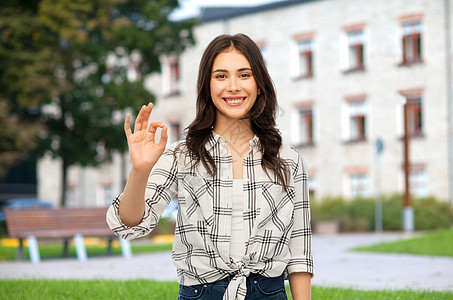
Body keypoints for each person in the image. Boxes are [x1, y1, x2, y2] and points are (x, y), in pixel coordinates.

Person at [106, 33, 314, 300]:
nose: (233, 86)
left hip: (268, 292)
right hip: (201, 293)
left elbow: (300, 253)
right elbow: (131, 225)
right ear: (207, 86)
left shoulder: (289, 160)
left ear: (259, 84)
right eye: (221, 76)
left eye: (244, 75)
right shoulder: (182, 155)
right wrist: (140, 170)